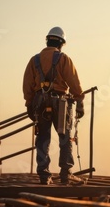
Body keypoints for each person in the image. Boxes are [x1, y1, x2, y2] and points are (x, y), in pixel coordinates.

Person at [23, 27, 85, 185]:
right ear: (62, 43)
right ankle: (65, 173)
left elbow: (27, 86)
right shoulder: (63, 59)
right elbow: (73, 82)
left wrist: (30, 105)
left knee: (43, 137)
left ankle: (44, 175)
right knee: (64, 137)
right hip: (60, 102)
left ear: (47, 41)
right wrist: (79, 101)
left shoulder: (34, 60)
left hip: (40, 102)